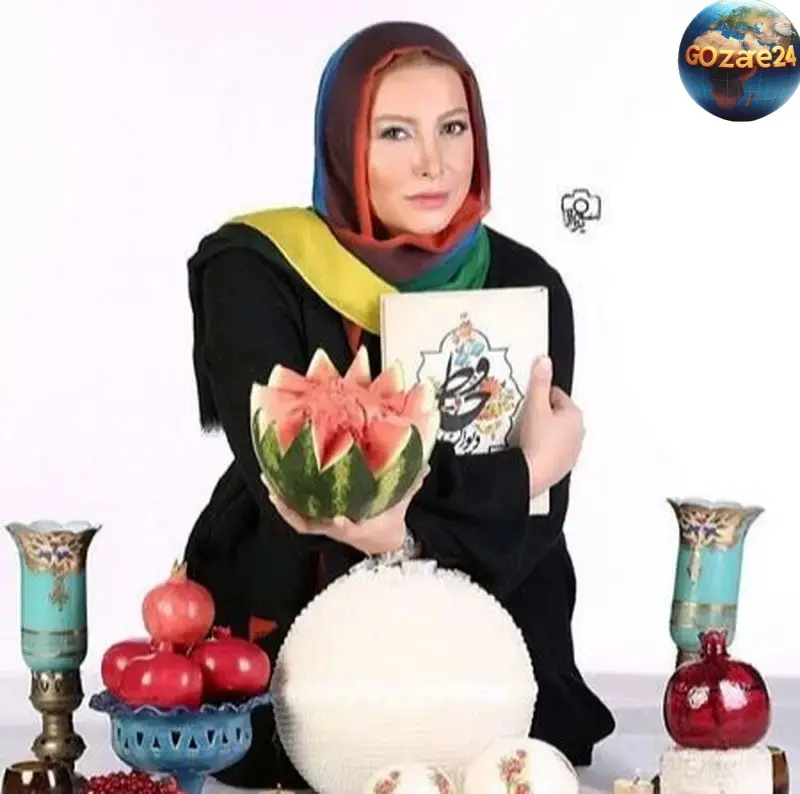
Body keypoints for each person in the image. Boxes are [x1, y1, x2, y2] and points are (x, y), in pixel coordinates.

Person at [184, 20, 615, 790]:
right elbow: (294, 480)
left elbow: (531, 531)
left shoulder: (527, 282)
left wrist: (400, 526)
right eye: (393, 132)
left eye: (453, 128)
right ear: (343, 142)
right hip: (297, 608)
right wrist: (524, 472)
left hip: (491, 630)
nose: (432, 163)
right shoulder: (254, 268)